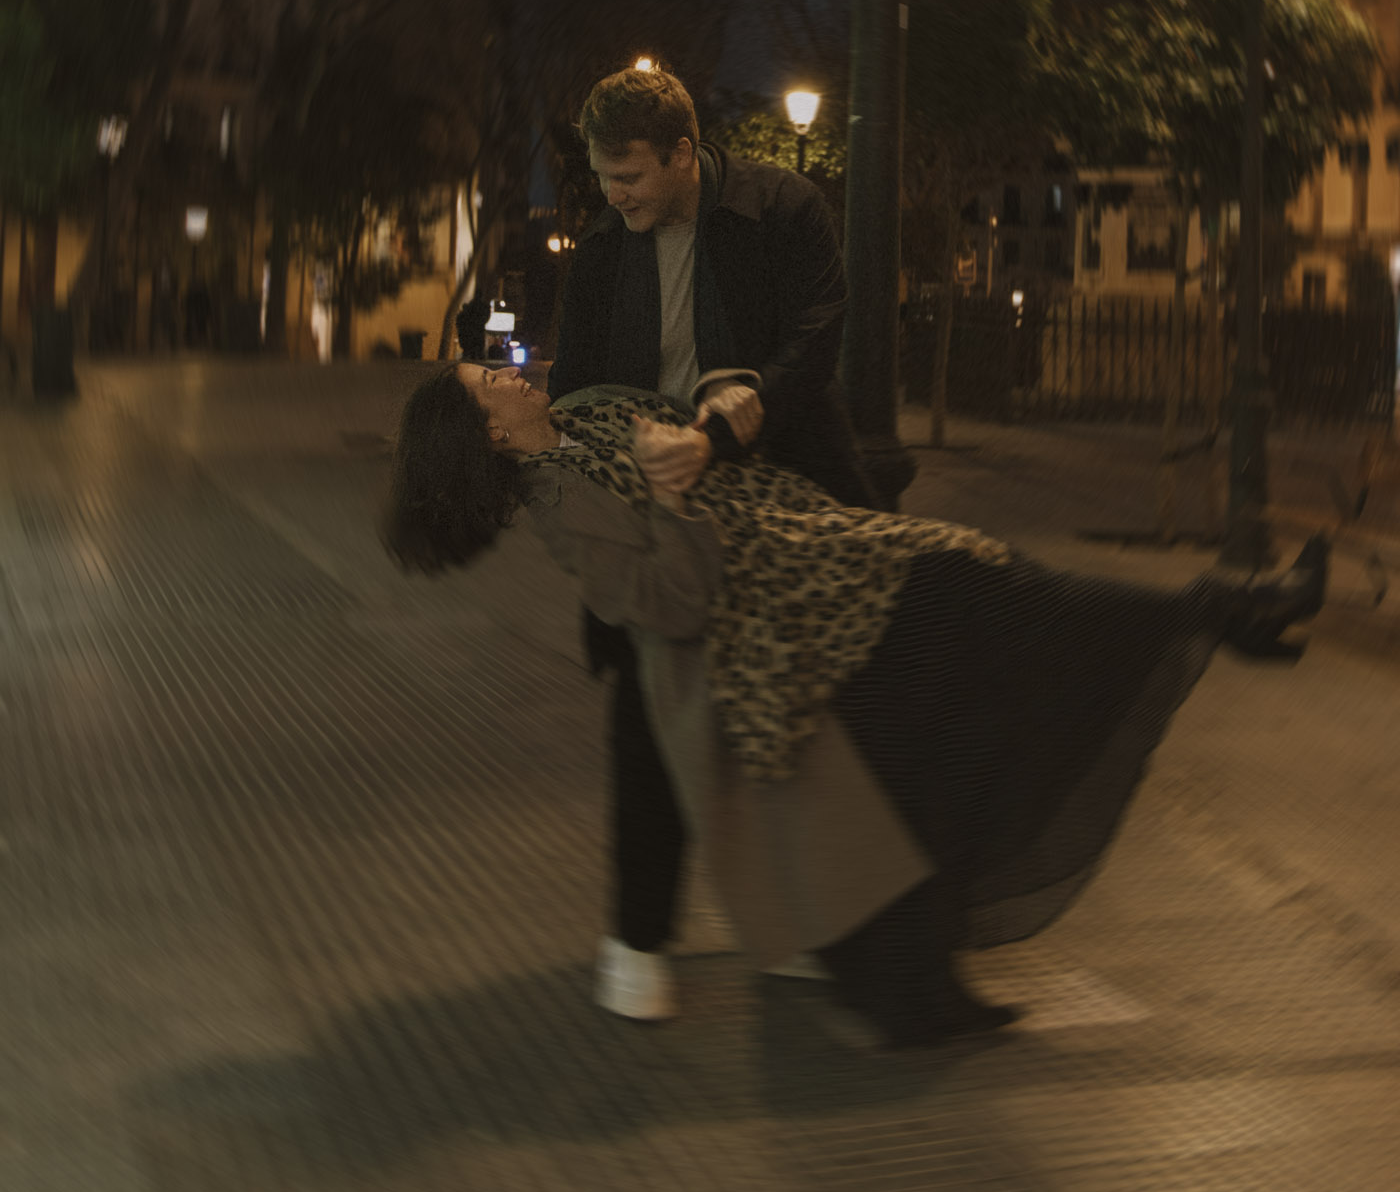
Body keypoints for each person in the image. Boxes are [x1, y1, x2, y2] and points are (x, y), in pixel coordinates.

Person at [384, 363, 1329, 1051]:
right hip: (801, 626)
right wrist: (674, 500)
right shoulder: (561, 504)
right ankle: (1228, 609)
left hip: (837, 552)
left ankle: (1227, 612)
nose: (506, 371)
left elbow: (701, 412)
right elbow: (672, 602)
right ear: (494, 435)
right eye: (485, 382)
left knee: (985, 656)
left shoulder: (588, 412)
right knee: (1013, 624)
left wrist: (713, 409)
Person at [545, 64, 877, 1021]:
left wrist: (739, 415)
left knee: (793, 714)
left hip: (780, 491)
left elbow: (821, 334)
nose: (613, 197)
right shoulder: (605, 247)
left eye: (631, 177)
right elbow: (576, 381)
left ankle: (800, 921)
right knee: (649, 716)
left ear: (686, 153)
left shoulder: (781, 208)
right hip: (656, 511)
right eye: (604, 179)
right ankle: (638, 938)